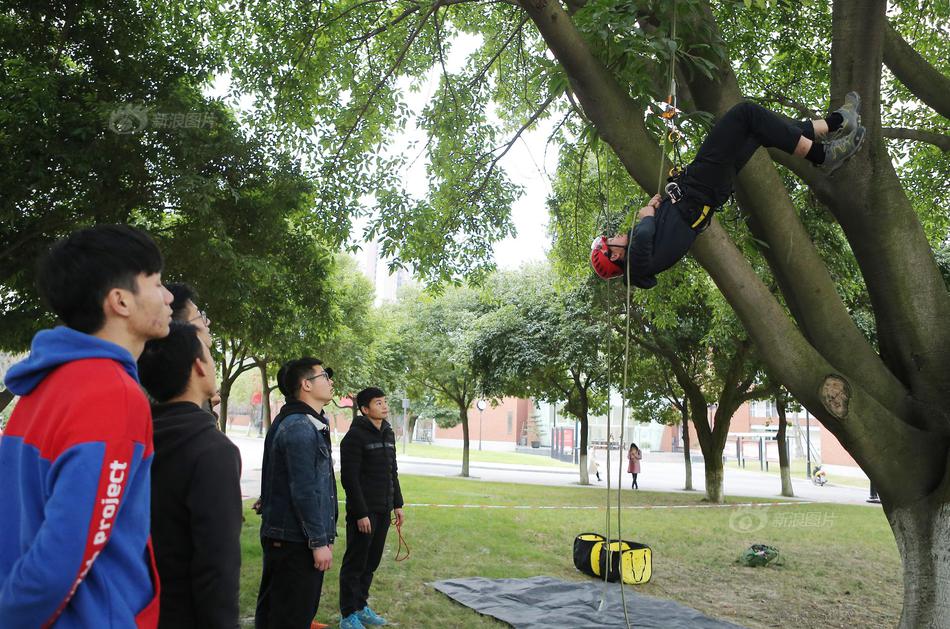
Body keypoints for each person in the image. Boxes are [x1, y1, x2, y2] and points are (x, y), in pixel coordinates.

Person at [0, 224, 172, 627]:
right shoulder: (113, 394)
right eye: (158, 283)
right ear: (120, 301)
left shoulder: (41, 388)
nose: (168, 298)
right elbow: (62, 556)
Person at [591, 93, 865, 287]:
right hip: (701, 186)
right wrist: (647, 214)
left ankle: (837, 122)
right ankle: (821, 155)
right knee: (745, 114)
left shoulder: (644, 259)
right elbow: (647, 230)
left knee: (757, 131)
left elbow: (666, 231)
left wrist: (660, 207)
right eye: (611, 239)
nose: (616, 234)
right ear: (614, 254)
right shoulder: (637, 264)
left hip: (705, 191)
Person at [137, 322, 243, 628]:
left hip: (136, 608)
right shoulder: (212, 450)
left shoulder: (136, 435)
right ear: (199, 367)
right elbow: (217, 565)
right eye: (209, 355)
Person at [255, 358, 338, 629]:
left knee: (281, 612)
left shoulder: (302, 422)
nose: (330, 381)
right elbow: (304, 490)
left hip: (291, 537)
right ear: (306, 385)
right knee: (288, 616)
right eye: (324, 376)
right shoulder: (299, 427)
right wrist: (318, 542)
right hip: (294, 541)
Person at [338, 387, 405, 629]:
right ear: (365, 409)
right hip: (363, 513)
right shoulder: (355, 437)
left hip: (383, 509)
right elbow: (350, 479)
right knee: (355, 563)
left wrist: (397, 504)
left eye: (385, 401)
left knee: (371, 562)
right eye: (379, 403)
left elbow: (392, 471)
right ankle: (348, 615)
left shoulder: (388, 433)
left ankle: (360, 605)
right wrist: (360, 513)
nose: (385, 406)